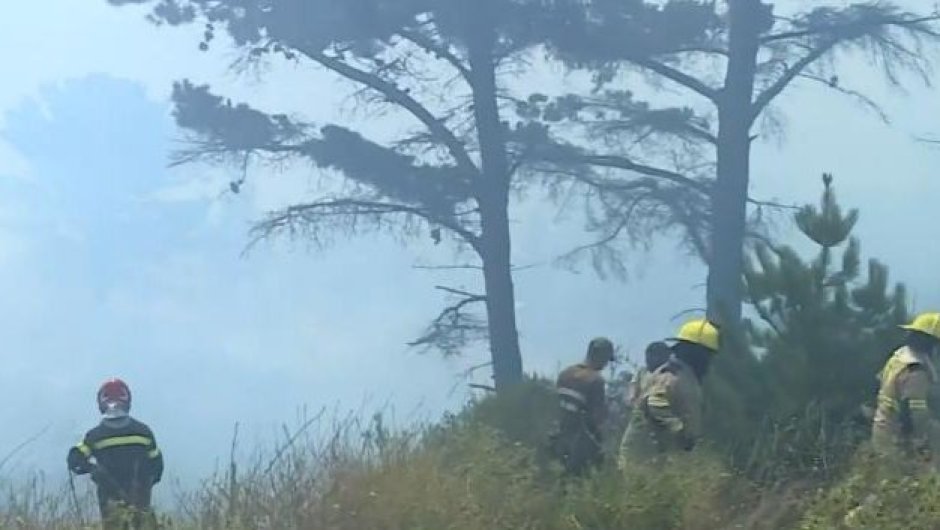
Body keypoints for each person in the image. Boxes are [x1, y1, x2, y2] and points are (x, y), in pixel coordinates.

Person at [67, 378, 164, 530]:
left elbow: (75, 459)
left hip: (109, 500)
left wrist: (92, 469)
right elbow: (157, 466)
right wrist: (146, 483)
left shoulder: (96, 436)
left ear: (101, 403)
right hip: (140, 497)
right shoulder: (143, 432)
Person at [619, 319, 719, 463]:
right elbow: (655, 403)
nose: (709, 360)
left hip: (659, 458)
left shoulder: (687, 376)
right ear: (695, 353)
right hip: (644, 457)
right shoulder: (671, 375)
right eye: (707, 355)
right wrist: (679, 430)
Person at [871, 312, 940, 466]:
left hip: (882, 428)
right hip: (897, 440)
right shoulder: (917, 371)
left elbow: (881, 384)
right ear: (932, 344)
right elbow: (916, 413)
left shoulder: (900, 356)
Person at [551, 337, 615, 476]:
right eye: (606, 359)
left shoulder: (565, 374)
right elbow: (598, 418)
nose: (605, 364)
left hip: (559, 437)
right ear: (600, 355)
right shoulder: (596, 380)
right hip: (582, 443)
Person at [627, 341, 672, 408]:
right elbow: (633, 389)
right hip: (642, 408)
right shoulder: (641, 372)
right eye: (648, 356)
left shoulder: (670, 374)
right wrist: (632, 398)